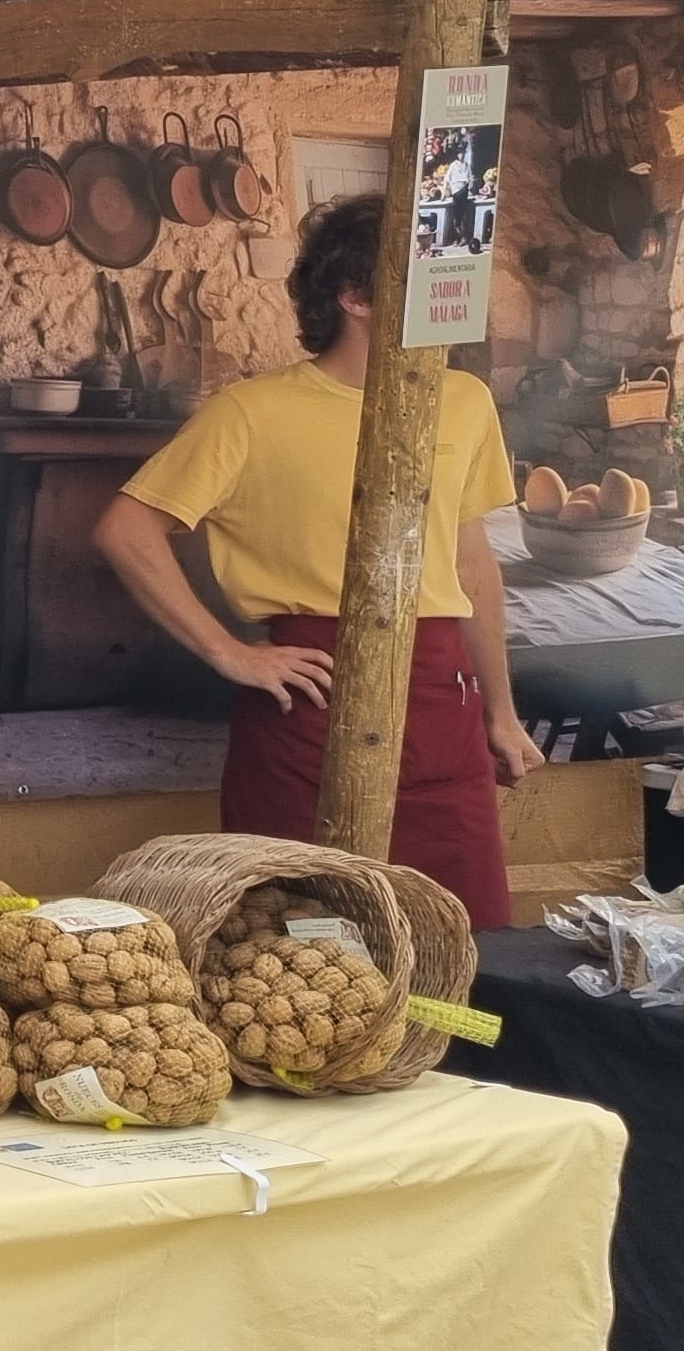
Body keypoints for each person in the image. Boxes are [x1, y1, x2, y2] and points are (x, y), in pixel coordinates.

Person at [93, 194, 536, 928]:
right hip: (309, 698)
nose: (453, 304)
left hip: (439, 698)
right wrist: (230, 652)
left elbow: (472, 564)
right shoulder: (252, 412)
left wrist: (502, 712)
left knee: (465, 940)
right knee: (298, 949)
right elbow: (124, 529)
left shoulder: (464, 401)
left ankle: (449, 1049)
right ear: (355, 296)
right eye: (424, 282)